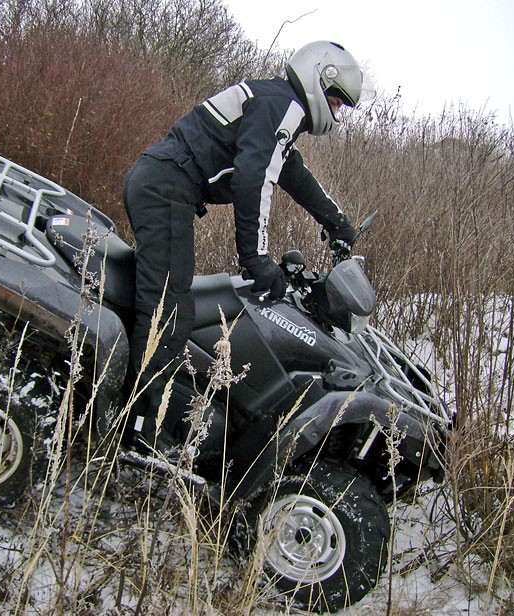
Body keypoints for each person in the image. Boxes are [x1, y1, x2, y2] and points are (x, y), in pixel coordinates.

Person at [122, 40, 376, 453]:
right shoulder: (284, 106)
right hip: (166, 188)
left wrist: (337, 222)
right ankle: (136, 430)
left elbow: (293, 173)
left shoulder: (276, 103)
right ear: (318, 79)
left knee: (167, 300)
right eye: (335, 100)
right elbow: (253, 180)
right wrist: (257, 259)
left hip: (163, 184)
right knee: (169, 311)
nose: (336, 111)